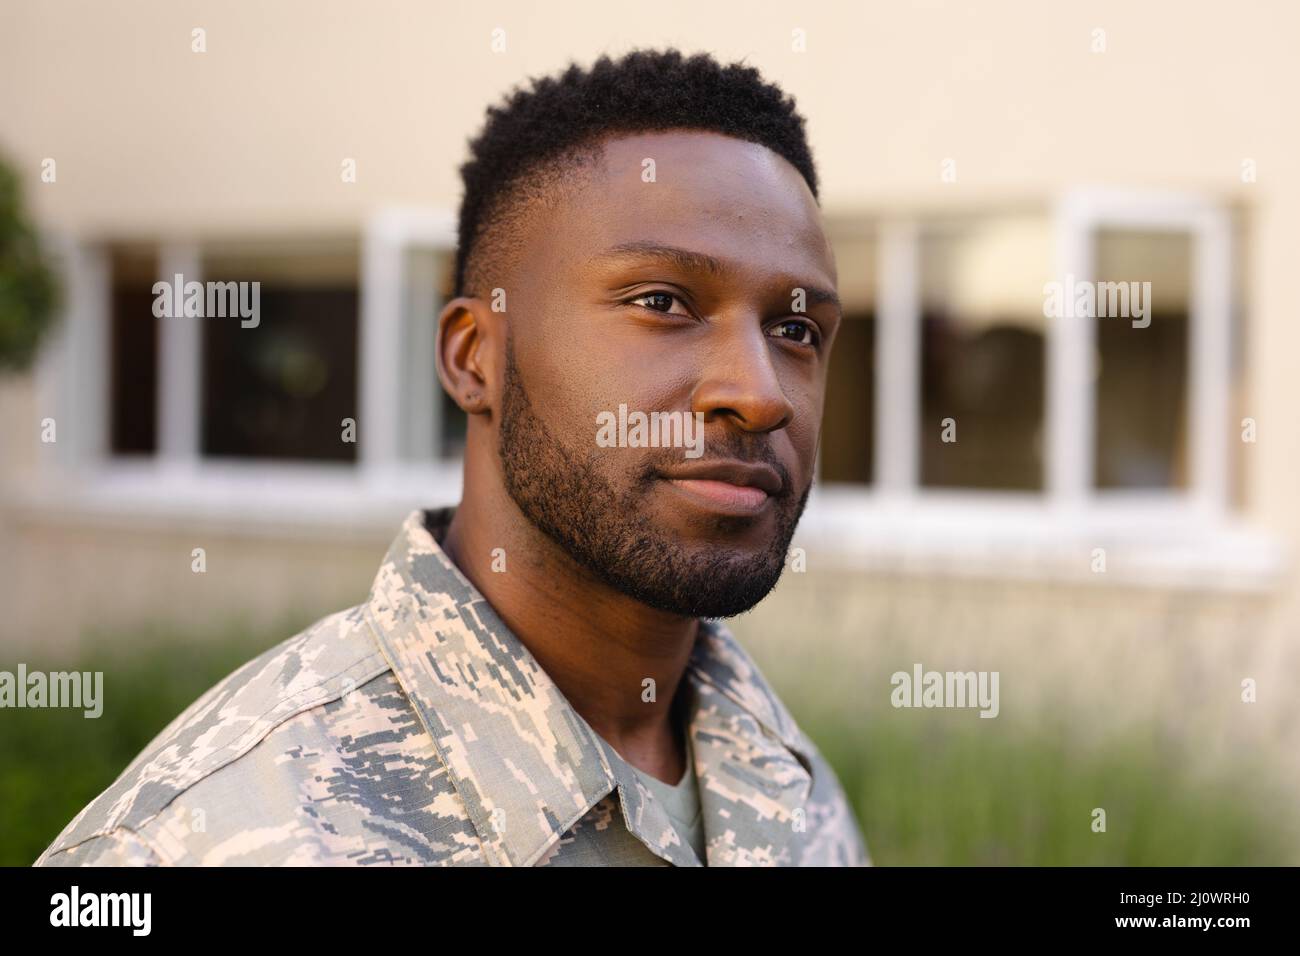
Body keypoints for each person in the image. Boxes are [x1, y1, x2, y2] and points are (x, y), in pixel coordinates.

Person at [35, 48, 868, 867]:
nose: (762, 396)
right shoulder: (203, 839)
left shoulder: (792, 791)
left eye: (796, 329)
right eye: (662, 302)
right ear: (474, 358)